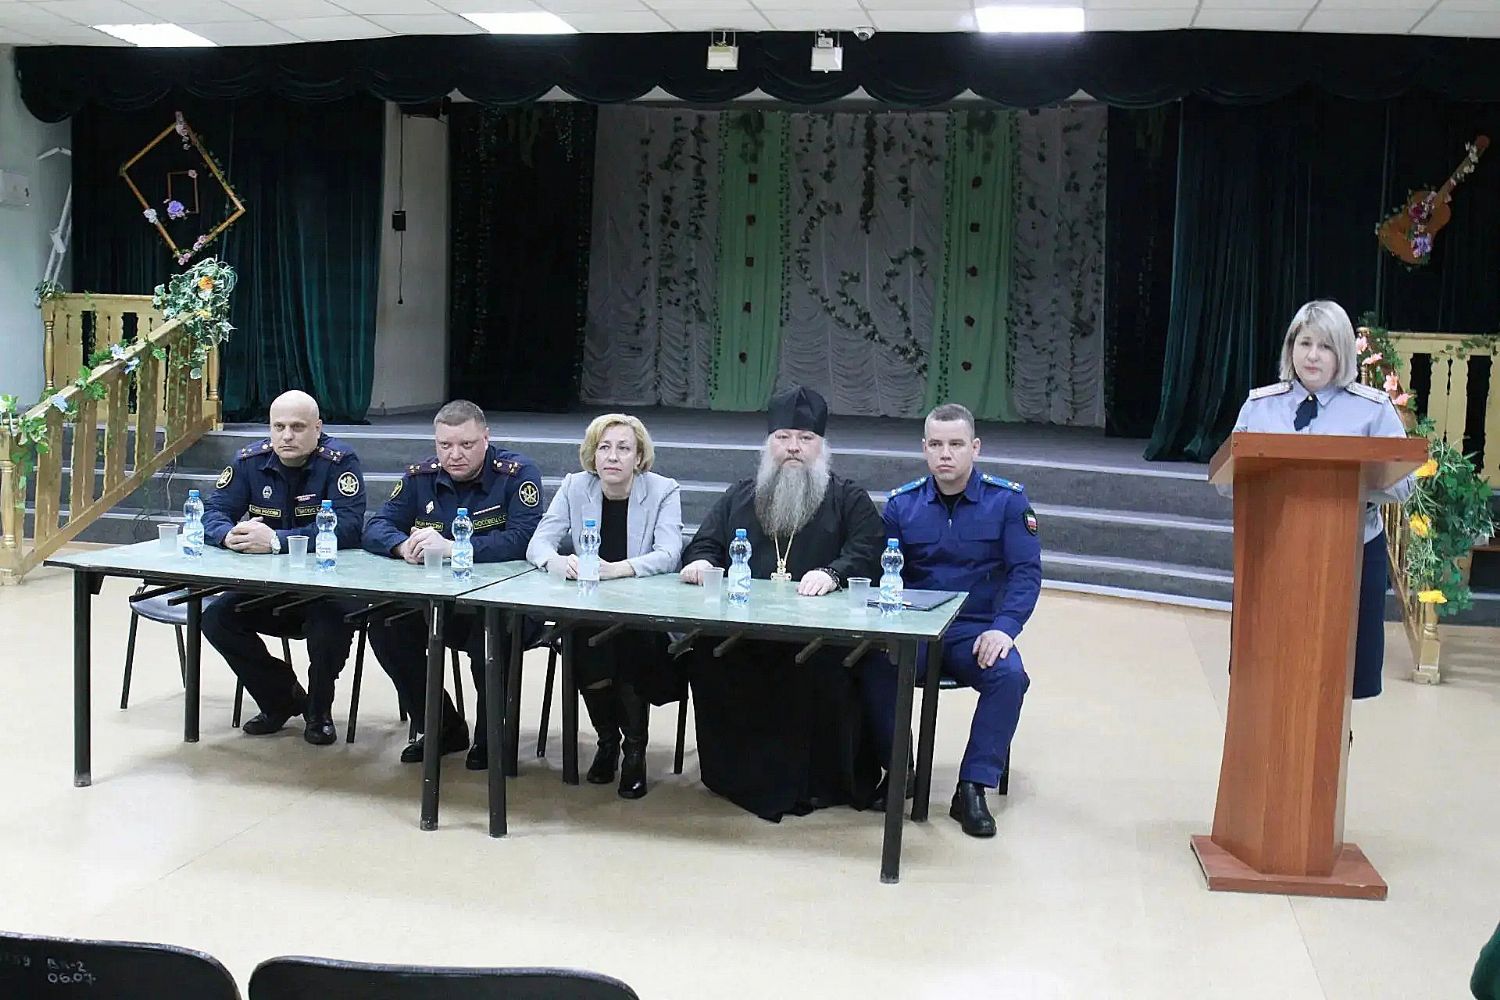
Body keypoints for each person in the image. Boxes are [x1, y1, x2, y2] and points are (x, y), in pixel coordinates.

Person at [678, 385, 885, 820]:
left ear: (821, 447)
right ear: (769, 444)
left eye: (805, 439)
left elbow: (868, 548)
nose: (793, 447)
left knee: (825, 669)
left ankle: (816, 785)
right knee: (707, 655)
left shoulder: (848, 498)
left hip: (819, 638)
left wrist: (834, 573)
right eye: (783, 437)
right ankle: (738, 778)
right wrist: (700, 562)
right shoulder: (741, 495)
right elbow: (705, 542)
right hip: (745, 635)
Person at [864, 402, 1042, 838]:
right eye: (936, 444)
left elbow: (1025, 573)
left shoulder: (1007, 501)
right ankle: (899, 768)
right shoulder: (902, 505)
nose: (946, 454)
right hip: (916, 627)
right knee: (871, 663)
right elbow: (885, 574)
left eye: (956, 444)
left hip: (975, 629)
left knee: (1009, 677)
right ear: (924, 448)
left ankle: (972, 788)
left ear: (975, 448)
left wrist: (1005, 628)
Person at [1228, 299, 1414, 702]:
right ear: (1290, 348)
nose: (1312, 356)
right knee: (1270, 674)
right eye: (1305, 343)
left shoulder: (1372, 410)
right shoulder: (1260, 407)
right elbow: (1229, 482)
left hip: (1351, 553)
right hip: (1275, 553)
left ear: (1342, 353)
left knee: (1340, 681)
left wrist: (1347, 483)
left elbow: (1405, 485)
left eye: (1325, 346)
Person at [362, 400, 543, 768]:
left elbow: (524, 539)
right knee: (386, 627)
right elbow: (376, 526)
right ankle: (442, 725)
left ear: (486, 438)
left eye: (466, 444)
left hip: (505, 606)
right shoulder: (421, 478)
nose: (455, 455)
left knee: (488, 635)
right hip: (441, 604)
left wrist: (455, 548)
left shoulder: (516, 475)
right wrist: (402, 546)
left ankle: (491, 737)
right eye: (445, 445)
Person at [526, 413, 683, 799]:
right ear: (592, 455)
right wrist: (559, 563)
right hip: (589, 607)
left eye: (623, 448)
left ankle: (635, 753)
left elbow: (669, 554)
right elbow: (538, 544)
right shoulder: (575, 486)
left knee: (630, 645)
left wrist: (618, 569)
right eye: (604, 448)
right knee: (582, 643)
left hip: (642, 611)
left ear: (639, 457)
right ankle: (607, 742)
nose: (612, 457)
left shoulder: (663, 490)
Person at [200, 390, 365, 745]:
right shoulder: (250, 461)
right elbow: (213, 511)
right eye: (279, 427)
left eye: (298, 427)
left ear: (318, 428)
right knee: (216, 618)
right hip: (270, 588)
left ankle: (319, 712)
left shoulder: (339, 462)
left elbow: (349, 528)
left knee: (327, 627)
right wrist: (228, 535)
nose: (287, 436)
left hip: (326, 589)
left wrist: (277, 541)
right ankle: (281, 698)